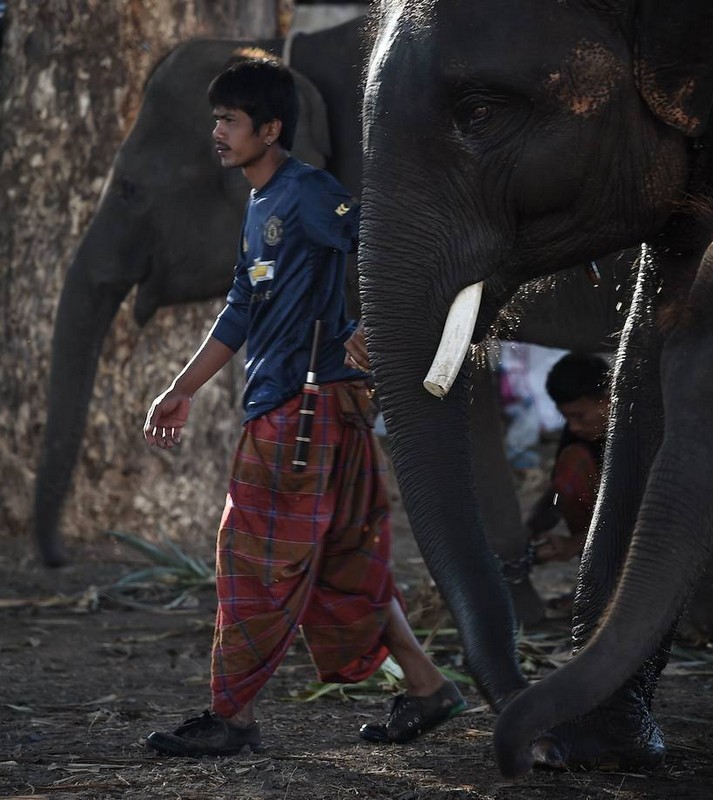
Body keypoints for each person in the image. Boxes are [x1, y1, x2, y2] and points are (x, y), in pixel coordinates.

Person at [141, 56, 465, 758]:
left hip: (302, 411)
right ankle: (429, 686)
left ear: (271, 128)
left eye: (230, 121)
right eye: (216, 121)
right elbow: (239, 310)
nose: (218, 134)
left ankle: (230, 717)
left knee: (250, 559)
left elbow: (380, 246)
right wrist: (182, 388)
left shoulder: (310, 194)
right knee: (342, 563)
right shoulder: (259, 206)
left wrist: (370, 328)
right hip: (307, 411)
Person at [524, 352, 610, 566]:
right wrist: (529, 532)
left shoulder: (639, 435)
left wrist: (576, 543)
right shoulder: (577, 436)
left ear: (608, 399)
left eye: (580, 416)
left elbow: (638, 513)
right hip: (600, 525)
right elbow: (559, 494)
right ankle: (595, 577)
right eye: (567, 417)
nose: (573, 427)